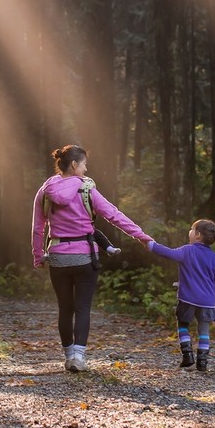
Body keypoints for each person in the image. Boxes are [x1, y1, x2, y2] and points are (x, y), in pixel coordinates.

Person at [32, 144, 153, 372]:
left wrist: (38, 255)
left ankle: (68, 357)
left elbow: (38, 228)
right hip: (85, 257)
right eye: (85, 164)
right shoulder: (87, 189)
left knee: (65, 308)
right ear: (75, 164)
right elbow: (114, 215)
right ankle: (79, 357)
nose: (86, 170)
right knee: (82, 308)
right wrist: (141, 236)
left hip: (58, 257)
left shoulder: (45, 190)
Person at [147, 219, 215, 372]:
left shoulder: (187, 251)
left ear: (197, 235)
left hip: (187, 299)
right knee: (204, 329)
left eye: (191, 229)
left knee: (183, 324)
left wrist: (151, 245)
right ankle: (202, 362)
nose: (189, 231)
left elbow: (168, 253)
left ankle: (187, 355)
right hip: (208, 302)